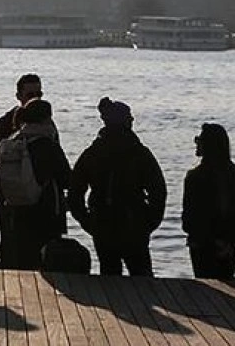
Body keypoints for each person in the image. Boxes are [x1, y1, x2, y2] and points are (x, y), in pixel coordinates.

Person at [68, 97, 166, 277]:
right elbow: (158, 191)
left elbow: (75, 191)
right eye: (130, 118)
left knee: (110, 278)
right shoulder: (139, 153)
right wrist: (150, 221)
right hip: (133, 224)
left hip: (103, 224)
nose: (132, 121)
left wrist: (87, 221)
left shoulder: (93, 153)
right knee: (143, 279)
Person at [181, 123, 235, 279]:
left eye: (199, 140)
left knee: (206, 292)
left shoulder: (195, 177)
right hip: (228, 246)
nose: (196, 144)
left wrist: (209, 240)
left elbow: (191, 217)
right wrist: (233, 242)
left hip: (202, 247)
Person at [6, 99, 72, 270]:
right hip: (46, 210)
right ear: (46, 118)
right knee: (47, 259)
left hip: (18, 208)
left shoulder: (15, 141)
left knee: (24, 259)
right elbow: (66, 178)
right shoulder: (47, 144)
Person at [0, 73, 44, 269]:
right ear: (18, 95)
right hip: (10, 193)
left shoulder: (45, 123)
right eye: (30, 94)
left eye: (39, 93)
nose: (35, 98)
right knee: (9, 244)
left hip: (37, 194)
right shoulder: (4, 123)